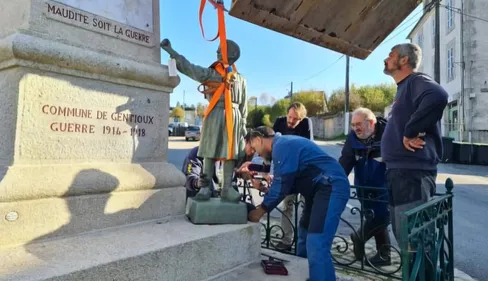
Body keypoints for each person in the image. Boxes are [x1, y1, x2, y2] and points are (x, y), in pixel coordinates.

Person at [247, 126, 350, 281]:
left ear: (257, 138)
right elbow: (287, 185)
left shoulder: (281, 145)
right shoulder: (283, 145)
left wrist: (259, 211)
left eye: (255, 148)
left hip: (330, 186)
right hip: (316, 191)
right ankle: (313, 275)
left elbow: (281, 185)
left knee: (317, 241)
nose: (257, 153)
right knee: (304, 235)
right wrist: (262, 188)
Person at [161, 38, 247, 203]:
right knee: (209, 151)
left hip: (233, 118)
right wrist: (171, 52)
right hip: (215, 115)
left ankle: (227, 188)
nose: (217, 53)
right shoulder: (213, 74)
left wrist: (243, 126)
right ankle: (205, 188)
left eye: (220, 50)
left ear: (231, 54)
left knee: (230, 154)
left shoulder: (241, 80)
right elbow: (190, 69)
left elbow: (243, 107)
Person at [382, 43, 448, 258]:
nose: (385, 59)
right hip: (399, 173)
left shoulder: (416, 81)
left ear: (403, 60)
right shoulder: (403, 89)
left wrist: (411, 131)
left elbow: (438, 95)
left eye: (390, 55)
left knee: (415, 243)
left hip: (412, 175)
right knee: (405, 239)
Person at [339, 107, 391, 266]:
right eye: (353, 125)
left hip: (384, 188)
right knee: (373, 217)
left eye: (358, 124)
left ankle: (359, 237)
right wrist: (336, 180)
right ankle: (384, 255)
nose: (355, 129)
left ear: (371, 123)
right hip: (363, 187)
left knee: (383, 216)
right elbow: (345, 162)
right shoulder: (352, 139)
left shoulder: (389, 135)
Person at [272, 102, 312, 250]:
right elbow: (272, 147)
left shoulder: (306, 124)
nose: (290, 121)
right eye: (289, 117)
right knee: (287, 206)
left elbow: (307, 148)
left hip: (304, 172)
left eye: (294, 119)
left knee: (306, 207)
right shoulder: (279, 123)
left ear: (301, 119)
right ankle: (286, 240)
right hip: (286, 171)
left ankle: (305, 242)